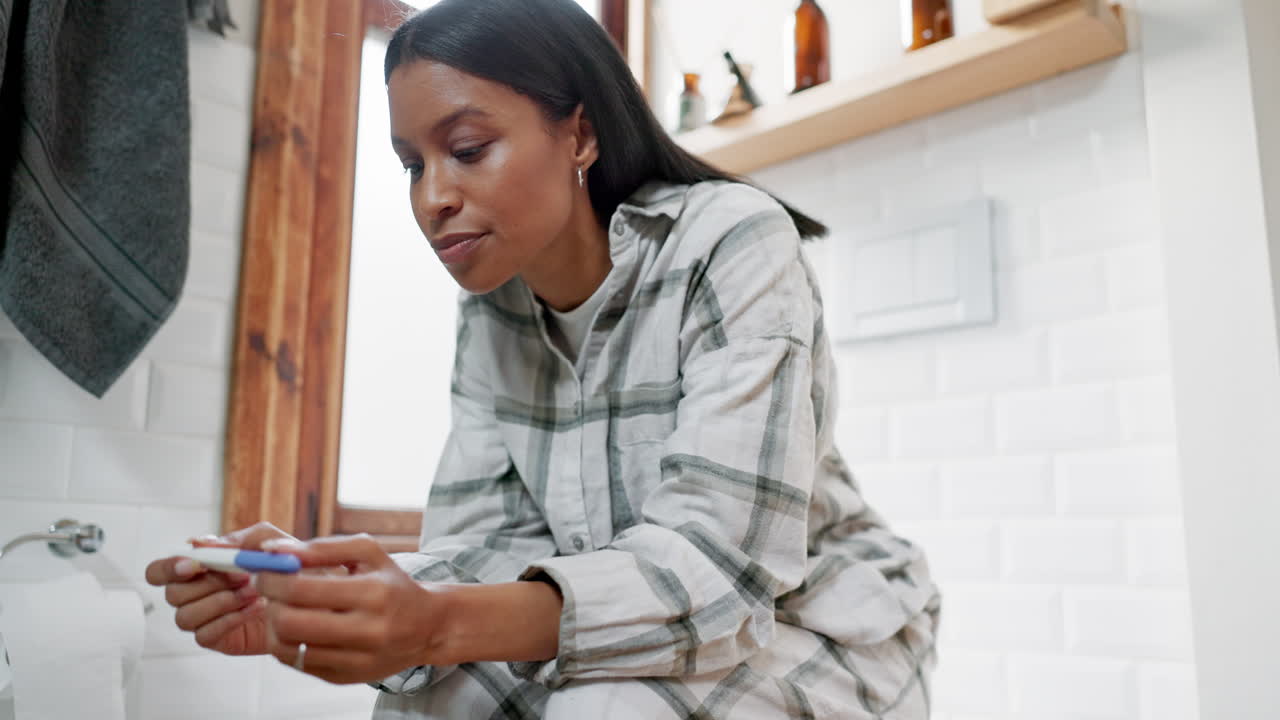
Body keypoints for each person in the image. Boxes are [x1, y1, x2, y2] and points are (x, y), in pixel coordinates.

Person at [145, 0, 940, 717]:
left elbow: (720, 574)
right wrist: (325, 590)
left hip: (819, 622)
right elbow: (488, 544)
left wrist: (436, 623)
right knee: (435, 700)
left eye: (466, 147)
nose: (432, 198)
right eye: (412, 166)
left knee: (605, 708)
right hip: (649, 623)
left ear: (581, 133)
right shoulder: (492, 309)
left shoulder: (730, 241)